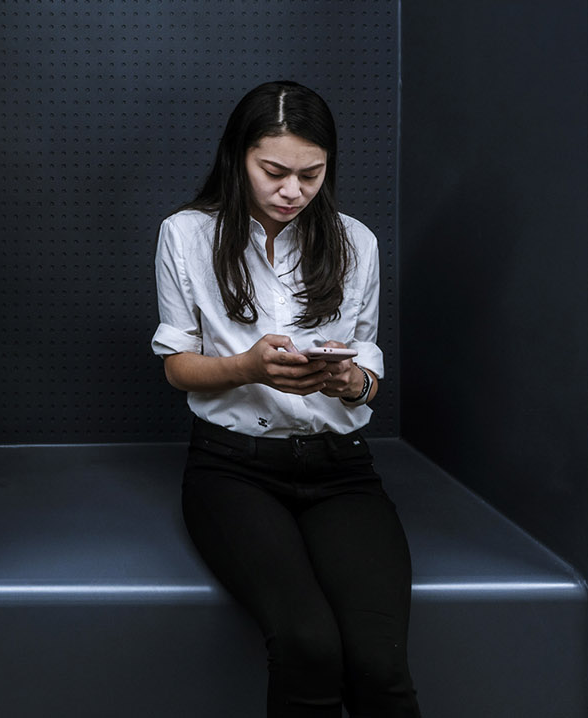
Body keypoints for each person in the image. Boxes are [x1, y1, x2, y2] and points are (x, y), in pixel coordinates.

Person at [152, 80, 421, 717]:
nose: (292, 191)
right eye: (273, 172)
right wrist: (248, 367)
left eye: (312, 174)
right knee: (308, 645)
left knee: (379, 661)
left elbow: (369, 370)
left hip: (340, 469)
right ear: (237, 158)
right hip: (231, 469)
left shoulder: (356, 242)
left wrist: (351, 382)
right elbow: (176, 368)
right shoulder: (186, 235)